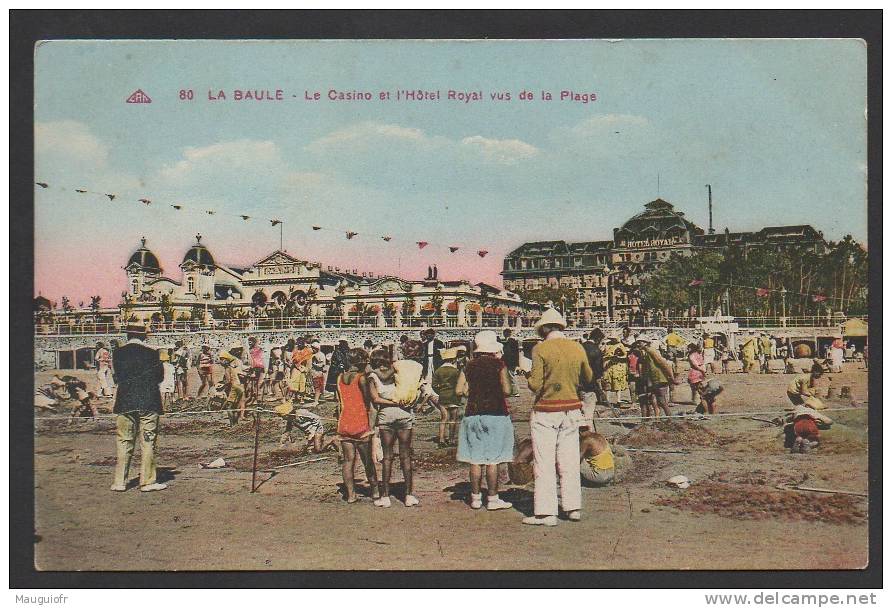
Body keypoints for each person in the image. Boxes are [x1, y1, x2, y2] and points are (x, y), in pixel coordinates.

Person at [522, 308, 593, 526]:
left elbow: (535, 385)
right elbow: (588, 376)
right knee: (569, 460)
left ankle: (546, 513)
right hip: (571, 408)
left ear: (544, 328)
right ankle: (573, 508)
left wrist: (526, 374)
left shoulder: (540, 349)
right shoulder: (577, 347)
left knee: (544, 462)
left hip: (546, 409)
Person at [454, 331, 514, 511]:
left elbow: (458, 391)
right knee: (493, 460)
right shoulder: (499, 365)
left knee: (475, 458)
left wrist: (472, 392)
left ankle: (475, 498)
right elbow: (507, 390)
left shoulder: (469, 366)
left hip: (473, 413)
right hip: (496, 414)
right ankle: (493, 499)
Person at [110, 323, 167, 492]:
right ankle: (147, 481)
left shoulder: (118, 353)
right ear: (144, 336)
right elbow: (160, 377)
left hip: (125, 401)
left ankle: (119, 482)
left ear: (127, 335)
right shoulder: (152, 353)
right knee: (148, 442)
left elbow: (117, 377)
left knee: (123, 441)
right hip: (149, 401)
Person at [368, 351, 423, 508]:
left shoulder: (373, 377)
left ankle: (385, 496)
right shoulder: (398, 372)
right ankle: (408, 495)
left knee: (387, 456)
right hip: (405, 414)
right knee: (405, 456)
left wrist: (392, 403)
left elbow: (375, 399)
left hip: (386, 415)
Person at [335, 348, 379, 502]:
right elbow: (368, 400)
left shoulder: (340, 377)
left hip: (344, 421)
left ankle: (351, 495)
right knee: (368, 461)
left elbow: (339, 402)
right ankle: (374, 491)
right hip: (360, 422)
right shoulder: (361, 378)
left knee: (348, 461)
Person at [510, 423, 615, 487]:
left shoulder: (587, 441)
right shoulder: (597, 436)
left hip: (600, 475)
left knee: (566, 455)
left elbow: (574, 459)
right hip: (610, 472)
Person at [636, 337, 678, 417]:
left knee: (662, 401)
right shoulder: (646, 352)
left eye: (640, 342)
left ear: (645, 342)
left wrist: (672, 378)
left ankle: (670, 419)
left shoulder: (652, 351)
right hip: (654, 379)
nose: (638, 344)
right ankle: (657, 419)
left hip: (660, 378)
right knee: (654, 400)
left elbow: (665, 364)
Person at [432, 347, 462, 447]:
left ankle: (441, 439)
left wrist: (440, 391)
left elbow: (434, 385)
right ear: (453, 359)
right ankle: (451, 439)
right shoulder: (456, 371)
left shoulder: (438, 371)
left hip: (443, 396)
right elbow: (459, 384)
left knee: (443, 418)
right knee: (453, 419)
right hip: (453, 396)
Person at [219, 344, 247, 424]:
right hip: (239, 386)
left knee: (229, 407)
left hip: (235, 386)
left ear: (226, 360)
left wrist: (222, 386)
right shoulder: (233, 366)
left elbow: (228, 381)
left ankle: (232, 424)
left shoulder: (228, 368)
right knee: (235, 405)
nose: (220, 361)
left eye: (222, 360)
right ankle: (236, 422)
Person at [288, 337, 314, 404]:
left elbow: (309, 361)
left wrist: (306, 369)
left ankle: (301, 398)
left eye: (301, 343)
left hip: (304, 368)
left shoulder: (307, 350)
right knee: (294, 382)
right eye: (298, 343)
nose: (299, 345)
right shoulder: (295, 349)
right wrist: (297, 366)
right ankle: (292, 397)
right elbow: (293, 359)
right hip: (296, 367)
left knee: (302, 383)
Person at [499, 328, 521, 397]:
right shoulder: (506, 341)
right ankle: (511, 391)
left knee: (512, 376)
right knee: (508, 377)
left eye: (505, 333)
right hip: (506, 362)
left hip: (511, 362)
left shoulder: (513, 341)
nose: (504, 334)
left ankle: (515, 391)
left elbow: (516, 353)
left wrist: (516, 363)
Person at [247, 336, 266, 402]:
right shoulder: (251, 350)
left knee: (259, 383)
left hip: (260, 367)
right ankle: (254, 397)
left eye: (250, 342)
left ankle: (258, 398)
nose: (249, 344)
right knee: (253, 384)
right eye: (248, 342)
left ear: (253, 342)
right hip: (254, 368)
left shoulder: (258, 349)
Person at [310, 340, 327, 405]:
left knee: (317, 387)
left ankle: (316, 401)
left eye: (313, 348)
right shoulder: (315, 354)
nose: (312, 350)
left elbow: (322, 364)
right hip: (315, 372)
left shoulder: (320, 355)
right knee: (316, 387)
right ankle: (317, 399)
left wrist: (314, 365)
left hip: (318, 373)